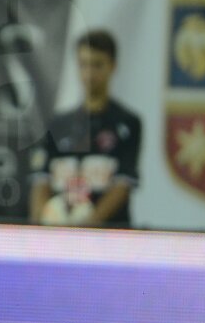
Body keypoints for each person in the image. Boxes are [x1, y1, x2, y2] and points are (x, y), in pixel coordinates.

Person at [29, 30, 141, 227]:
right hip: (59, 237)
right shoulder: (58, 124)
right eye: (83, 64)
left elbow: (122, 186)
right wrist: (39, 228)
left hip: (109, 238)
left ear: (112, 66)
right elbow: (42, 181)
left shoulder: (128, 123)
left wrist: (85, 228)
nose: (89, 73)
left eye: (97, 65)